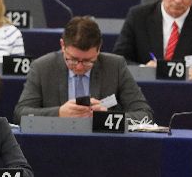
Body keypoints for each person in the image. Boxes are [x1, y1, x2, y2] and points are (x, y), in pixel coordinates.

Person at [14, 16, 153, 123]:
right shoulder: (42, 67)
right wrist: (59, 113)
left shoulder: (115, 66)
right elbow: (20, 114)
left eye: (87, 61)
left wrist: (107, 115)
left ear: (99, 49)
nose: (79, 67)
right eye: (73, 59)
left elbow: (145, 115)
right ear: (63, 45)